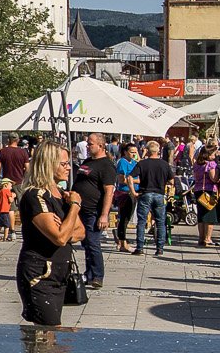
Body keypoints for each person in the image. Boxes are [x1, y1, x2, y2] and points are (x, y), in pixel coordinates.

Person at [15, 144, 84, 328]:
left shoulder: (62, 194)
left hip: (59, 273)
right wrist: (75, 207)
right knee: (49, 332)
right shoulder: (35, 196)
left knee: (50, 338)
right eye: (64, 164)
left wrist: (64, 227)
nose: (69, 167)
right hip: (40, 274)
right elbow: (60, 238)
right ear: (48, 165)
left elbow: (80, 232)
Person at [72, 134, 118, 289]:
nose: (87, 146)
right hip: (80, 210)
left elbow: (109, 191)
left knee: (93, 243)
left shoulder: (106, 165)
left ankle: (98, 275)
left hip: (94, 211)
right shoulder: (88, 161)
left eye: (90, 144)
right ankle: (89, 273)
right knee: (86, 243)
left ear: (101, 145)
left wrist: (104, 215)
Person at [132, 139, 177, 256]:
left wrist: (133, 191)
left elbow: (129, 177)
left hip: (145, 193)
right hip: (159, 194)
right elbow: (172, 181)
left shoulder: (142, 163)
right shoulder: (164, 164)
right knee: (160, 222)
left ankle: (140, 247)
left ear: (147, 150)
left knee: (142, 222)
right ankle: (160, 248)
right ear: (158, 150)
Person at [191, 139, 220, 249]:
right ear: (209, 155)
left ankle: (201, 238)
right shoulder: (211, 164)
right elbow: (213, 178)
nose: (215, 156)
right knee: (210, 215)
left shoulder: (197, 164)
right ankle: (208, 238)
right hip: (209, 190)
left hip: (198, 189)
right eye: (214, 154)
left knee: (201, 215)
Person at [112, 141, 139, 253]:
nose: (134, 154)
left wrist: (134, 180)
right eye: (132, 152)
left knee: (127, 218)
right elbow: (122, 179)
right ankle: (122, 242)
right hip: (125, 193)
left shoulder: (134, 162)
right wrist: (135, 180)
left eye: (135, 152)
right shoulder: (122, 162)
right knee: (124, 218)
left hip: (134, 192)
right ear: (125, 152)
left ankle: (121, 238)